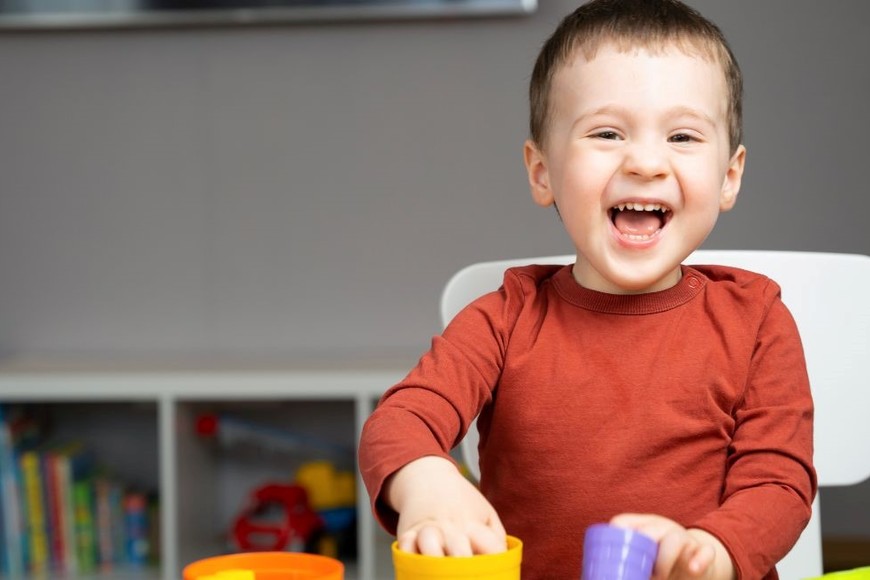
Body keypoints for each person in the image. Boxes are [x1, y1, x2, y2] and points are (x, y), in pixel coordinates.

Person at [358, 0, 816, 578]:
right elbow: (400, 420)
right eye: (606, 132)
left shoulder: (758, 320)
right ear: (542, 171)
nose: (646, 162)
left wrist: (712, 553)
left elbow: (779, 483)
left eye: (682, 136)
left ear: (729, 177)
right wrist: (426, 481)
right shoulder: (503, 320)